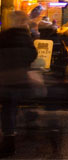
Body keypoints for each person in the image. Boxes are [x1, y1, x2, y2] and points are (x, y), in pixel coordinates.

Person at [0, 11, 38, 157]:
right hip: (21, 77)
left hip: (5, 78)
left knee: (8, 108)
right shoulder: (26, 37)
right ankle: (29, 128)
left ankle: (9, 141)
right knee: (16, 105)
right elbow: (32, 55)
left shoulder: (4, 36)